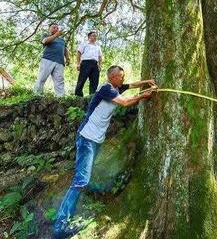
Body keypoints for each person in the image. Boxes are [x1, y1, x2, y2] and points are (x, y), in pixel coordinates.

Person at [53, 65, 157, 239]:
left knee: (83, 180)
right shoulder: (106, 88)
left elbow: (132, 85)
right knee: (81, 180)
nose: (123, 80)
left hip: (96, 140)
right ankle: (60, 224)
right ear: (113, 77)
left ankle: (67, 218)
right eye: (121, 77)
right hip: (87, 138)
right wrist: (145, 95)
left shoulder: (116, 87)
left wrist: (147, 82)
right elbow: (124, 102)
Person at [34, 23, 70, 96]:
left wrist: (68, 58)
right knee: (42, 78)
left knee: (59, 80)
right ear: (49, 29)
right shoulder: (46, 36)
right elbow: (45, 41)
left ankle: (61, 97)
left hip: (60, 62)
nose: (56, 29)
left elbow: (65, 49)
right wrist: (56, 35)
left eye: (57, 28)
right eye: (54, 27)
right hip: (48, 59)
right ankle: (37, 95)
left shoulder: (62, 40)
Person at [74, 31, 102, 97]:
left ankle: (92, 97)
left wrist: (100, 65)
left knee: (94, 82)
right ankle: (78, 96)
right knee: (81, 80)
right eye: (93, 35)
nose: (95, 37)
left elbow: (100, 57)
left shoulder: (98, 47)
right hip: (85, 63)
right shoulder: (84, 44)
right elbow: (78, 53)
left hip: (95, 64)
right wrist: (78, 64)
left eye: (96, 36)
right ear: (89, 37)